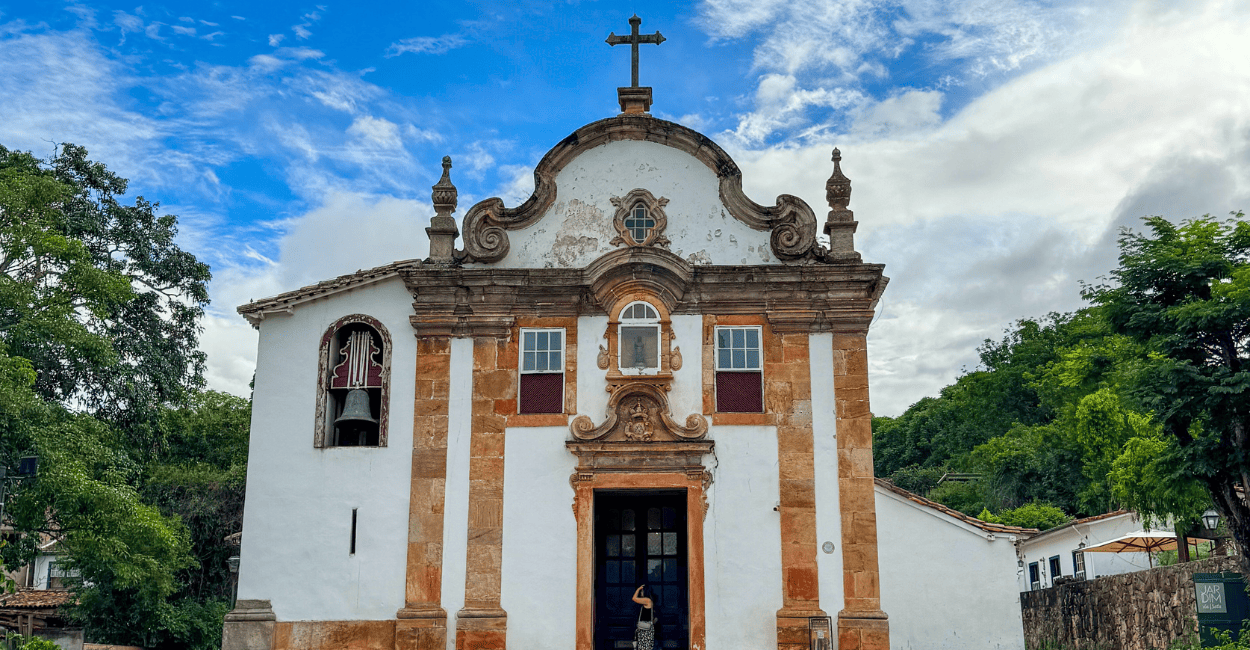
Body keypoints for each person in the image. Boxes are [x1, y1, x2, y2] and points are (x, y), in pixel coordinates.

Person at [631, 584, 656, 650]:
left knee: (643, 647)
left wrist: (638, 589)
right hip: (646, 629)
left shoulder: (647, 600)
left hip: (645, 630)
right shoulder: (649, 600)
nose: (641, 593)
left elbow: (634, 598)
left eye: (642, 592)